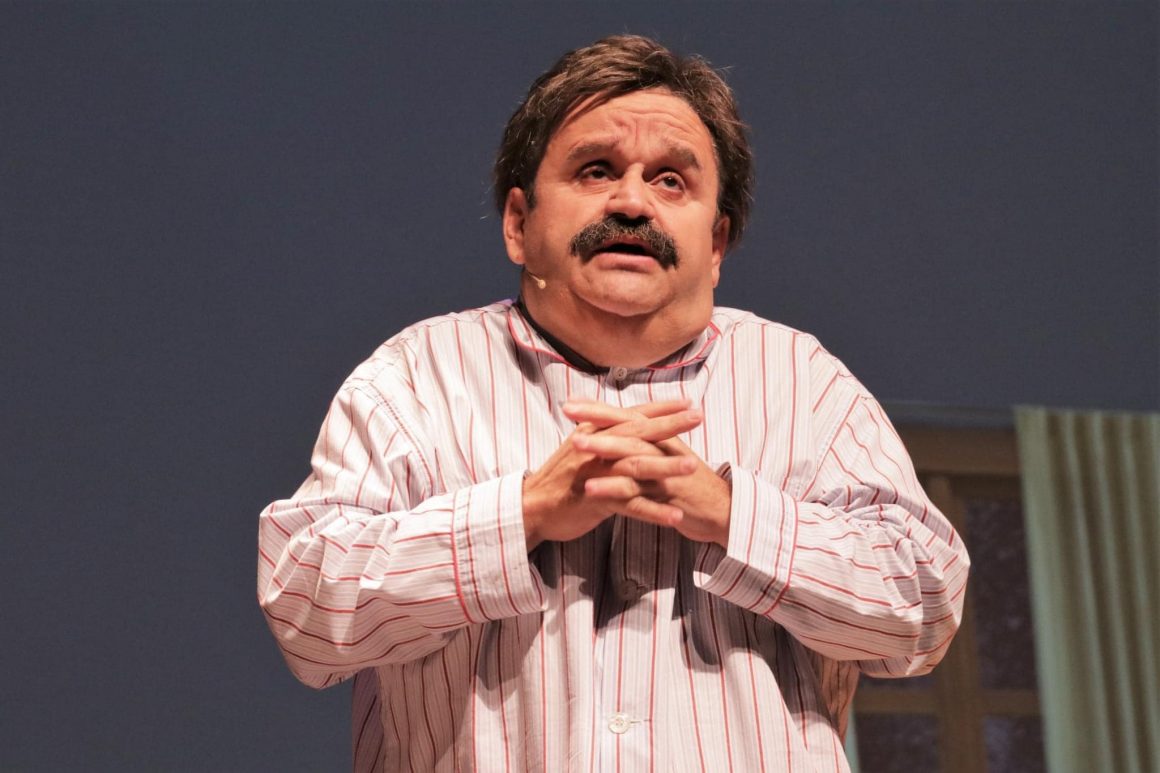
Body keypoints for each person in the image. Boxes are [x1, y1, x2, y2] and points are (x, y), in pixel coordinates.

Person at [258, 34, 969, 772]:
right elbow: (305, 610)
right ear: (518, 224)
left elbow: (924, 607)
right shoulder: (415, 379)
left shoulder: (803, 382)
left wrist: (732, 516)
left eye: (671, 181)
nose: (631, 201)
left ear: (716, 244)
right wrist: (522, 515)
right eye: (595, 170)